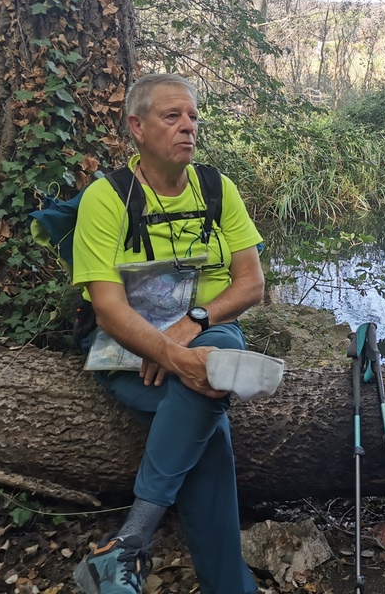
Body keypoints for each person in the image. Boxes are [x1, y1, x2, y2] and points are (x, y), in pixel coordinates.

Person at [71, 73, 265, 594]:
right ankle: (228, 586)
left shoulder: (217, 189)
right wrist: (168, 353)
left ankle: (127, 543)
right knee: (212, 413)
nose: (188, 127)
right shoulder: (106, 198)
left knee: (219, 349)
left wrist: (189, 328)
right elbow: (109, 310)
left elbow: (251, 285)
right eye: (172, 116)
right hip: (124, 348)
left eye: (194, 116)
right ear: (136, 126)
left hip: (203, 336)